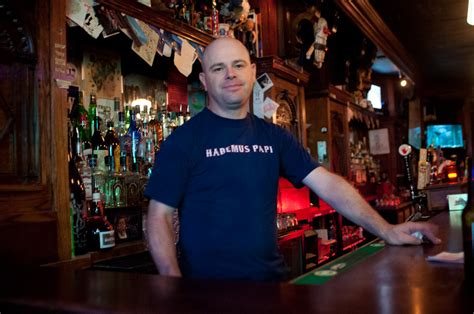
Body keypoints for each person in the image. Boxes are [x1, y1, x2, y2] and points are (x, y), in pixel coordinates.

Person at [144, 37, 441, 282]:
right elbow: (158, 215)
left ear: (251, 72)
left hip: (271, 285)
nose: (230, 74)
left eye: (237, 65)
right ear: (204, 80)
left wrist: (386, 229)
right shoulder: (183, 141)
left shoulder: (274, 137)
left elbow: (328, 185)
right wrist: (172, 280)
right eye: (218, 68)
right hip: (204, 293)